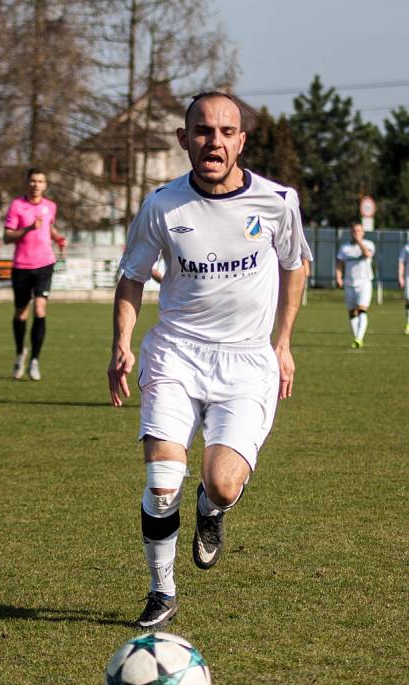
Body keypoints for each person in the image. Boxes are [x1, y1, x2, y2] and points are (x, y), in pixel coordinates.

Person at [107, 91, 310, 630]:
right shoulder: (162, 206)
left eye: (225, 132)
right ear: (184, 139)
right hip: (176, 353)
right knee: (161, 479)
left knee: (221, 483)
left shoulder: (276, 202)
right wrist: (122, 343)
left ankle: (212, 509)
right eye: (202, 131)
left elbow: (295, 266)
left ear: (241, 141)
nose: (213, 141)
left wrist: (283, 342)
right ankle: (161, 590)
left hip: (246, 362)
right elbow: (131, 276)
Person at [4, 168, 67, 380]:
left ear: (45, 185)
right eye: (32, 180)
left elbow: (49, 228)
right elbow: (7, 237)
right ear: (27, 183)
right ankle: (21, 351)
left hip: (44, 264)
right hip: (22, 265)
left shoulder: (50, 207)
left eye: (40, 181)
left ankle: (35, 361)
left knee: (40, 309)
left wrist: (58, 238)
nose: (36, 184)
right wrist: (28, 228)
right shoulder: (17, 206)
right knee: (21, 313)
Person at [335, 222, 375, 349]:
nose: (356, 233)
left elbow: (367, 254)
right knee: (352, 312)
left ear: (363, 232)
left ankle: (359, 338)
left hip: (364, 282)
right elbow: (339, 264)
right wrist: (338, 277)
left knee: (362, 310)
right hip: (349, 283)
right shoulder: (345, 247)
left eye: (359, 231)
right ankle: (356, 337)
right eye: (354, 231)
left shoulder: (369, 244)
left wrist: (359, 242)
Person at [397, 241, 409, 335]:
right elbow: (401, 262)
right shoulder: (406, 247)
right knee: (408, 300)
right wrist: (400, 276)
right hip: (408, 277)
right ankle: (408, 323)